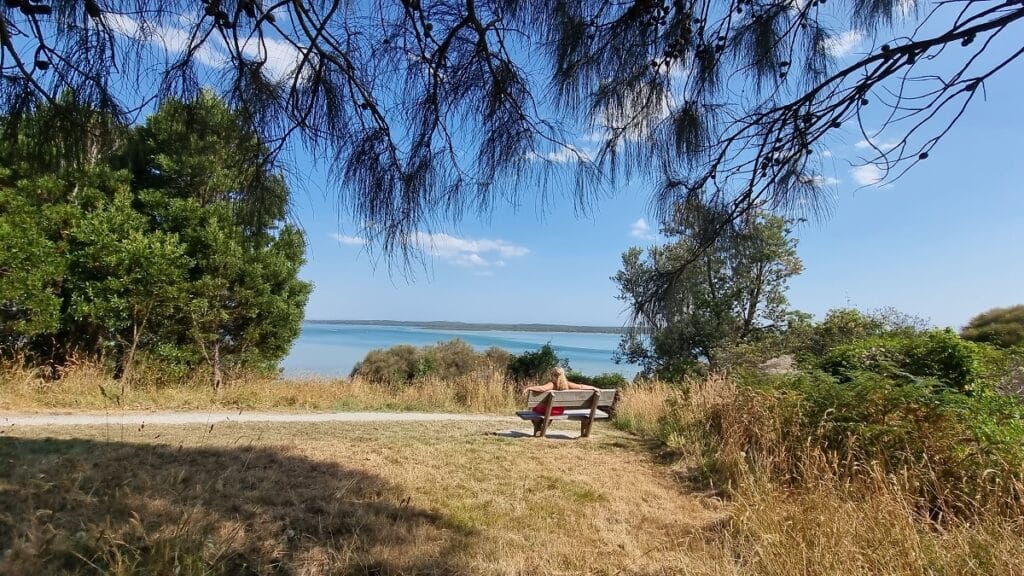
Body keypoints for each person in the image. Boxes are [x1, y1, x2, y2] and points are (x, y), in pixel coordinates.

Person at [524, 367, 597, 416]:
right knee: (543, 409)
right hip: (559, 411)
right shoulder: (567, 384)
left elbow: (542, 389)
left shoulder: (552, 384)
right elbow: (581, 386)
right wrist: (594, 388)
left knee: (535, 408)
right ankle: (545, 424)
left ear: (552, 375)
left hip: (548, 411)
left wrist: (529, 388)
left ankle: (539, 427)